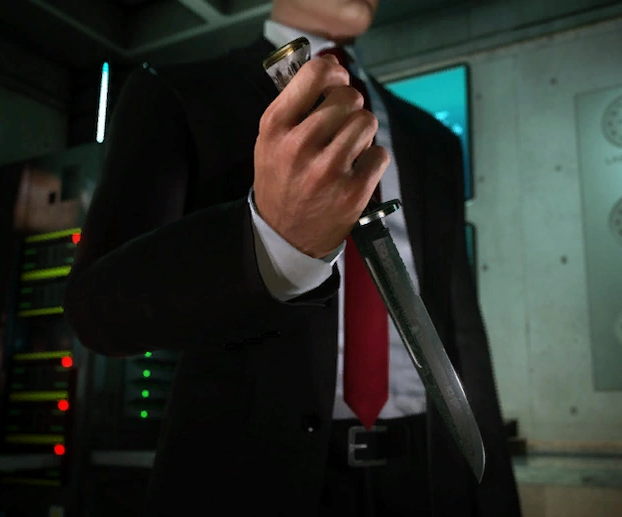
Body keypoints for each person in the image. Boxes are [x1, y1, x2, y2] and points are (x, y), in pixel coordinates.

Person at [63, 0, 521, 515]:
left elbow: (461, 334)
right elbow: (97, 309)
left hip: (430, 484)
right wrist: (271, 242)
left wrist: (495, 500)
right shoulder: (175, 92)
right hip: (250, 484)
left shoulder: (431, 140)